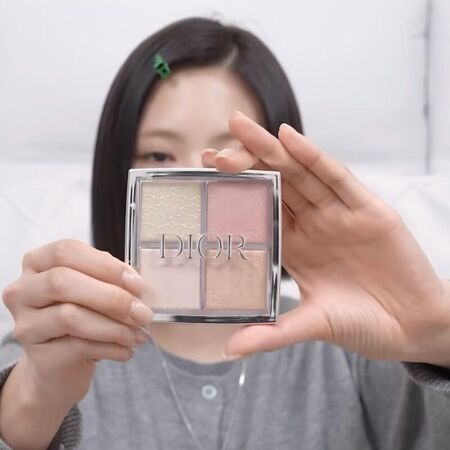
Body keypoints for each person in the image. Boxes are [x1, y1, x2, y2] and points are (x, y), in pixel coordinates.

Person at [1, 17, 450, 450]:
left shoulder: (356, 343)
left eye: (226, 155)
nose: (192, 185)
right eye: (158, 155)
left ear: (280, 173)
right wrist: (35, 400)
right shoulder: (53, 341)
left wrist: (435, 331)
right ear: (117, 175)